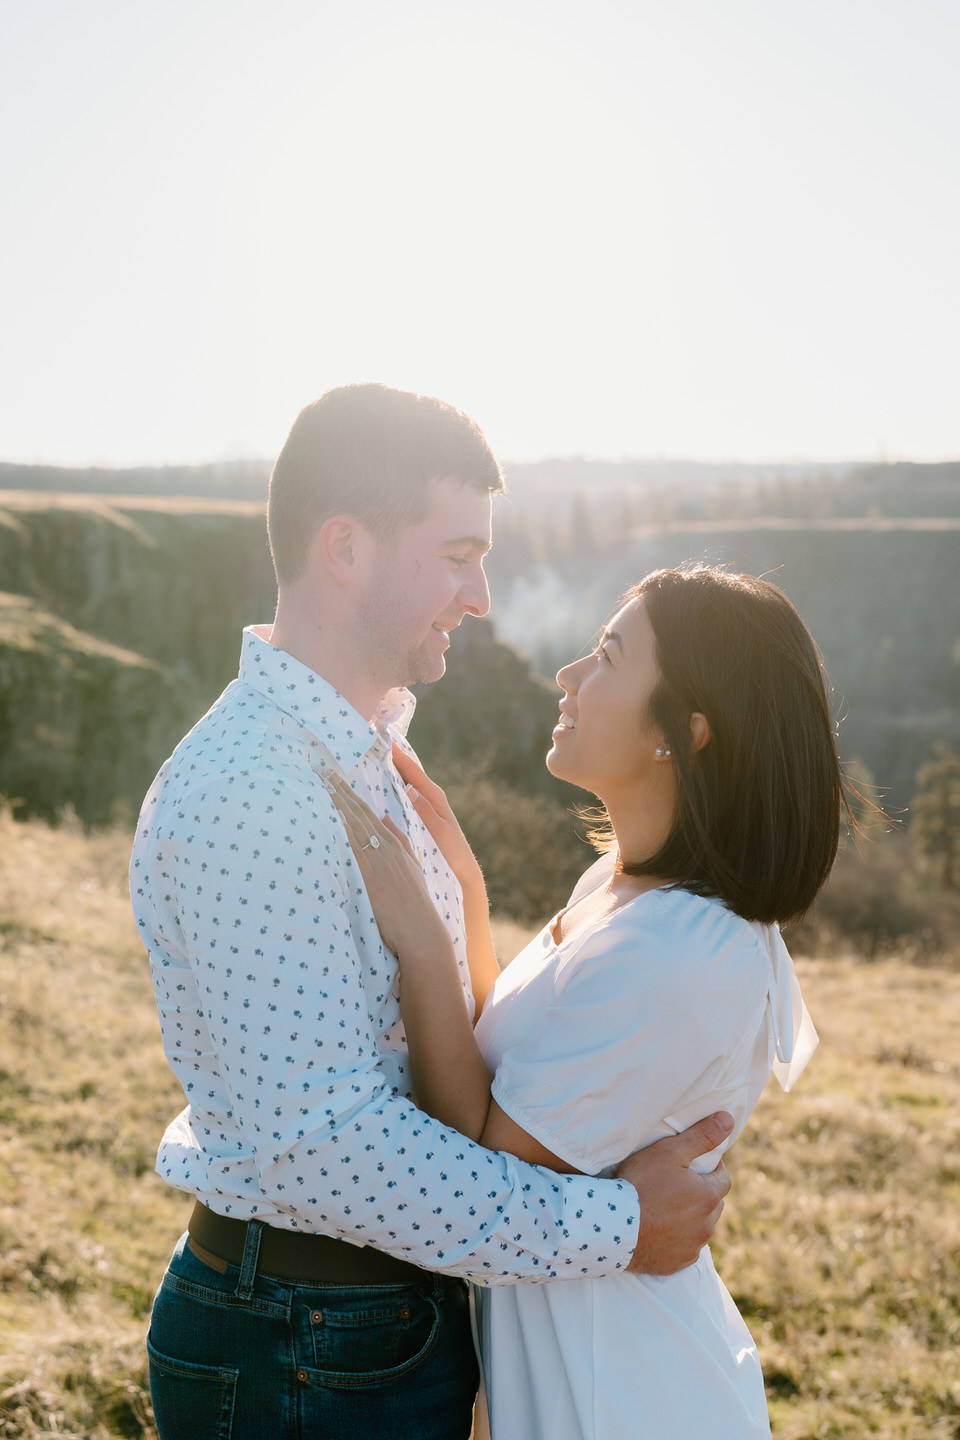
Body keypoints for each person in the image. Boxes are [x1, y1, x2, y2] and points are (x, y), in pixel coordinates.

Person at [130, 384, 733, 1440]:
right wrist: (619, 1226)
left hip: (361, 1323)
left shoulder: (365, 758)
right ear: (346, 548)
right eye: (458, 555)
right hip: (301, 1341)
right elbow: (328, 1146)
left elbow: (416, 1062)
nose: (483, 594)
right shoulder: (254, 787)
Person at [331, 562, 842, 1440]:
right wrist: (468, 891)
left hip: (626, 1396)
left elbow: (483, 1148)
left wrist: (423, 941)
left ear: (686, 731)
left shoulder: (678, 951)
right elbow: (518, 1072)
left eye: (608, 655)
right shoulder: (622, 884)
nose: (568, 675)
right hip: (581, 1369)